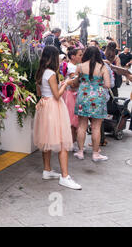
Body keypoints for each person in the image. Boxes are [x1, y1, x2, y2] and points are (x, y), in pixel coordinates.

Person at [33, 45, 82, 190]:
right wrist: (66, 83)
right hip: (54, 107)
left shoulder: (41, 73)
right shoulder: (51, 73)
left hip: (44, 106)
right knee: (62, 141)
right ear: (53, 58)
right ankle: (65, 176)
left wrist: (59, 84)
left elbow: (40, 92)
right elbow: (57, 95)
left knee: (46, 138)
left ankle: (47, 170)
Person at [73, 46, 110, 162]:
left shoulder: (79, 66)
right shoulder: (103, 67)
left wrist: (83, 84)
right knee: (96, 127)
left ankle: (80, 152)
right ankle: (95, 154)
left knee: (81, 126)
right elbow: (108, 85)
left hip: (83, 97)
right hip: (98, 98)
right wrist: (98, 86)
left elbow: (74, 83)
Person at [62, 47, 83, 147]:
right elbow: (73, 84)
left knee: (75, 119)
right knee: (72, 120)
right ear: (73, 57)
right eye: (80, 55)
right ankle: (72, 142)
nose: (81, 57)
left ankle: (73, 142)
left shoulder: (75, 66)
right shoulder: (71, 67)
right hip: (71, 94)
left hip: (73, 94)